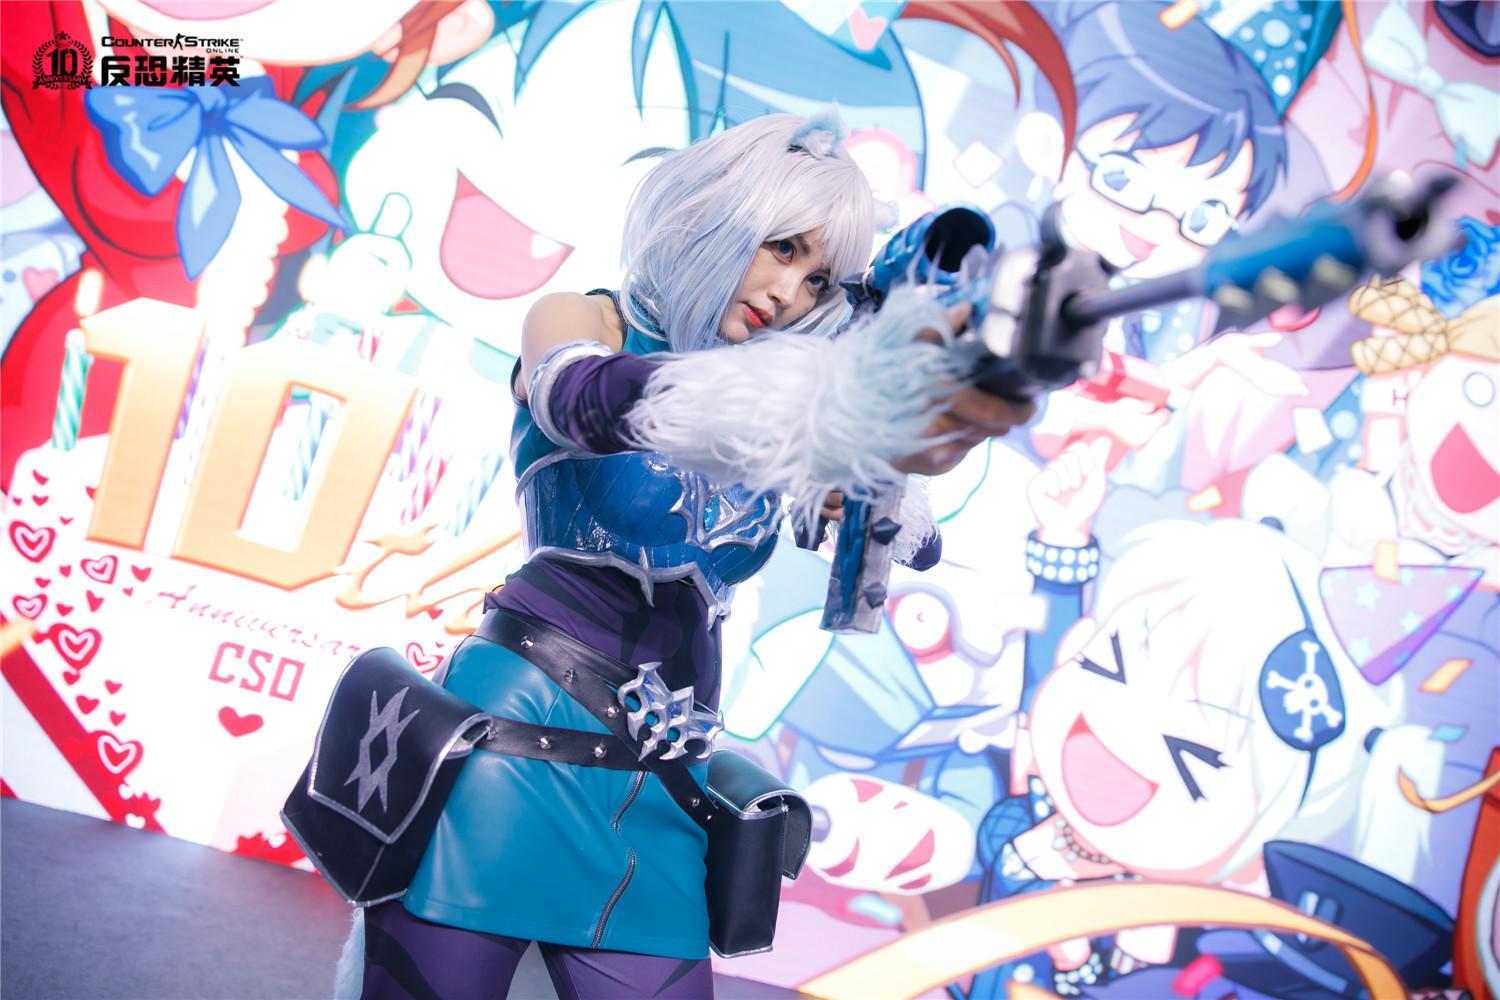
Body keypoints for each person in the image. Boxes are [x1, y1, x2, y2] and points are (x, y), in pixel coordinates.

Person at [352, 110, 1035, 999]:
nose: (788, 293)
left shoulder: (789, 406)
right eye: (780, 248)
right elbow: (580, 398)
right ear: (716, 215)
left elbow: (917, 541)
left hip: (667, 773)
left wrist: (904, 421)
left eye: (817, 278)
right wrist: (796, 401)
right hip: (520, 736)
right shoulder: (587, 319)